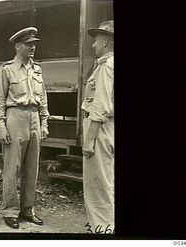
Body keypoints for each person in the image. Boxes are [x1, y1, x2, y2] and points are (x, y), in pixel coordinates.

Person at [0, 27, 49, 229]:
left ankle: (27, 210)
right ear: (18, 46)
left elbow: (43, 98)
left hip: (34, 117)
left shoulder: (38, 69)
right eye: (28, 44)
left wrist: (44, 122)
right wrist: (1, 126)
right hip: (15, 117)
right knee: (12, 167)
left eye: (34, 44)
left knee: (32, 168)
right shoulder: (7, 69)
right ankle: (10, 211)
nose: (33, 47)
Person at [81, 20, 114, 234]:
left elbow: (101, 105)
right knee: (108, 180)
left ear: (106, 41)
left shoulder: (106, 67)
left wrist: (89, 139)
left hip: (100, 129)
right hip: (109, 127)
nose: (93, 46)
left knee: (98, 185)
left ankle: (101, 230)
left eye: (96, 42)